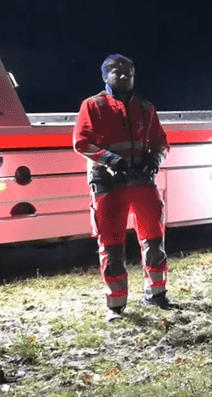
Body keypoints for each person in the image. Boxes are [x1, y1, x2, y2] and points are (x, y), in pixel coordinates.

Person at [73, 54, 172, 322]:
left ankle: (157, 295)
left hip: (142, 181)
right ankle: (115, 307)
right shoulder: (92, 105)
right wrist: (111, 160)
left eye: (130, 70)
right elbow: (81, 143)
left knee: (154, 240)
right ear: (105, 76)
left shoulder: (145, 108)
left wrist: (154, 159)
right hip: (108, 184)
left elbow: (161, 142)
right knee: (111, 245)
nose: (125, 74)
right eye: (118, 70)